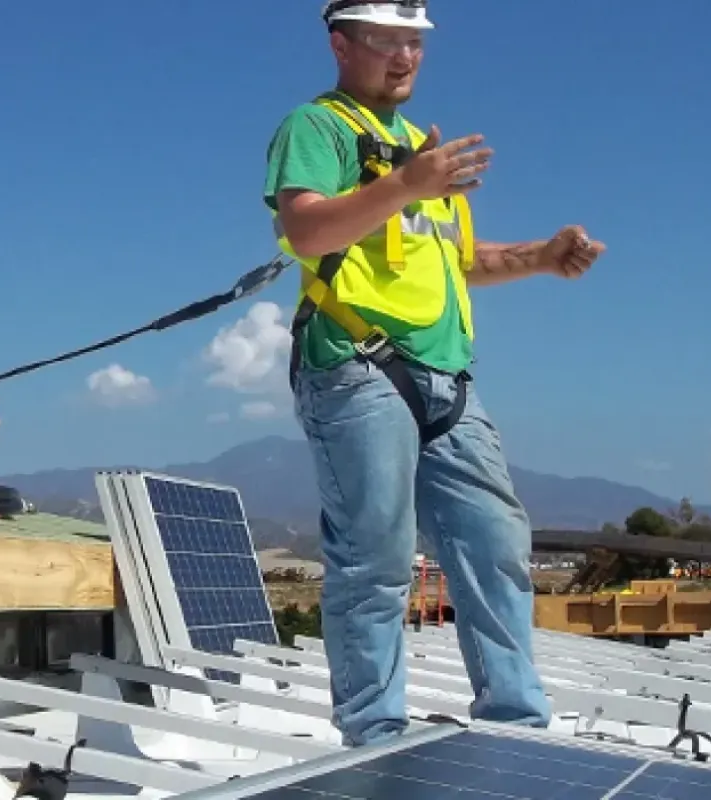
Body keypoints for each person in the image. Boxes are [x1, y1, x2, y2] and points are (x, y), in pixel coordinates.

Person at [263, 0, 606, 747]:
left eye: (414, 42)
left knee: (496, 545)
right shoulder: (318, 127)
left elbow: (454, 260)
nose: (405, 56)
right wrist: (406, 184)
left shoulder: (423, 149)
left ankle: (515, 725)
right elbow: (304, 229)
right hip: (358, 365)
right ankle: (375, 738)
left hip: (449, 376)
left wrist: (541, 257)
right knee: (375, 559)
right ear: (341, 45)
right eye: (386, 40)